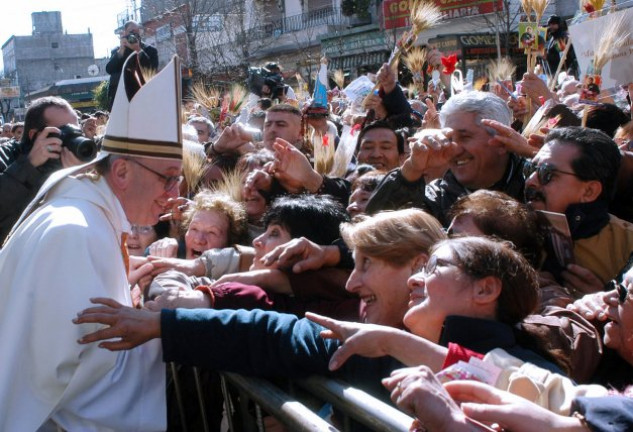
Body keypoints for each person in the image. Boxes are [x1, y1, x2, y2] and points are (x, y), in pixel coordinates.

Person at [0, 54, 182, 431]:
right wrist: (158, 329)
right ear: (121, 170)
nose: (174, 193)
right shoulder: (74, 231)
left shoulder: (87, 213)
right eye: (167, 177)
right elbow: (64, 378)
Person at [366, 91, 524, 226]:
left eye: (465, 137)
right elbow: (377, 231)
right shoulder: (438, 196)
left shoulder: (534, 183)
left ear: (501, 141)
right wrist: (411, 169)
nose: (454, 148)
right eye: (448, 138)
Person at [524, 127, 632, 294]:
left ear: (589, 191)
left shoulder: (627, 246)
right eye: (529, 169)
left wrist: (606, 302)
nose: (531, 181)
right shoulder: (509, 231)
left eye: (546, 173)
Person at [0, 96, 85, 243]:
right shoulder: (5, 157)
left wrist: (79, 179)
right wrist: (29, 165)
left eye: (76, 131)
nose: (73, 138)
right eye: (65, 132)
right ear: (35, 135)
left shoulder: (78, 161)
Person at [105, 20, 158, 110]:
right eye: (131, 32)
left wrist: (138, 50)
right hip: (120, 98)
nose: (134, 35)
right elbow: (109, 69)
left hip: (141, 97)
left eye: (137, 32)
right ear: (124, 33)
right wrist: (121, 51)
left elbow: (151, 72)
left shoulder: (150, 51)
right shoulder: (117, 51)